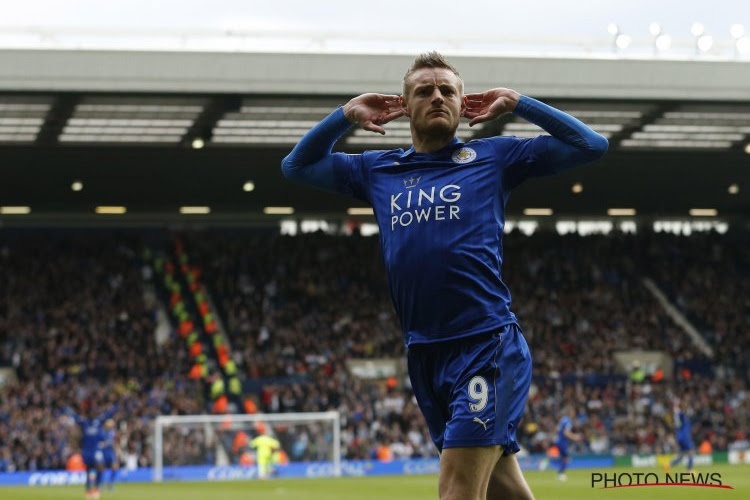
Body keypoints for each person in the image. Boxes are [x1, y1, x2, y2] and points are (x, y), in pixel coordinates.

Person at [282, 51, 607, 500]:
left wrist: (518, 103)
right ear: (402, 104)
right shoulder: (377, 170)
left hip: (484, 345)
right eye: (425, 90)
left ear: (462, 102)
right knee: (504, 489)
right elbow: (295, 166)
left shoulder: (494, 156)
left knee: (456, 490)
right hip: (424, 354)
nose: (438, 97)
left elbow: (593, 145)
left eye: (447, 90)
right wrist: (344, 116)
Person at [63, 404, 118, 500]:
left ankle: (96, 488)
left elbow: (107, 415)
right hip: (86, 451)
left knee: (100, 467)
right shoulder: (85, 423)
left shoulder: (98, 422)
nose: (93, 414)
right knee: (89, 470)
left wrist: (115, 408)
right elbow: (75, 417)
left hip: (96, 450)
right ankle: (88, 490)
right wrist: (68, 410)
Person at [554, 406, 583, 482]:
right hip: (562, 441)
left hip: (559, 440)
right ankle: (560, 474)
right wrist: (575, 437)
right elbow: (566, 432)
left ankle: (560, 473)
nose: (574, 414)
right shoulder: (568, 421)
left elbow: (557, 429)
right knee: (566, 458)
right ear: (570, 413)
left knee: (564, 457)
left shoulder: (563, 419)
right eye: (573, 413)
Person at [667, 399, 695, 472]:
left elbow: (676, 421)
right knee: (691, 452)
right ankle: (689, 469)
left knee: (681, 455)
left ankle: (669, 465)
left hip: (680, 435)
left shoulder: (678, 415)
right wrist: (676, 405)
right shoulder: (681, 414)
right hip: (684, 436)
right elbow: (678, 412)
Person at [100, 419, 120, 490]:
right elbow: (98, 443)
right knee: (101, 469)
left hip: (110, 452)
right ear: (106, 424)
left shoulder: (112, 433)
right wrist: (101, 445)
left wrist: (117, 451)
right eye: (110, 424)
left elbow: (115, 443)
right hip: (103, 452)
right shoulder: (101, 432)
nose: (112, 426)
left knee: (115, 468)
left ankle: (110, 484)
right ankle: (100, 484)